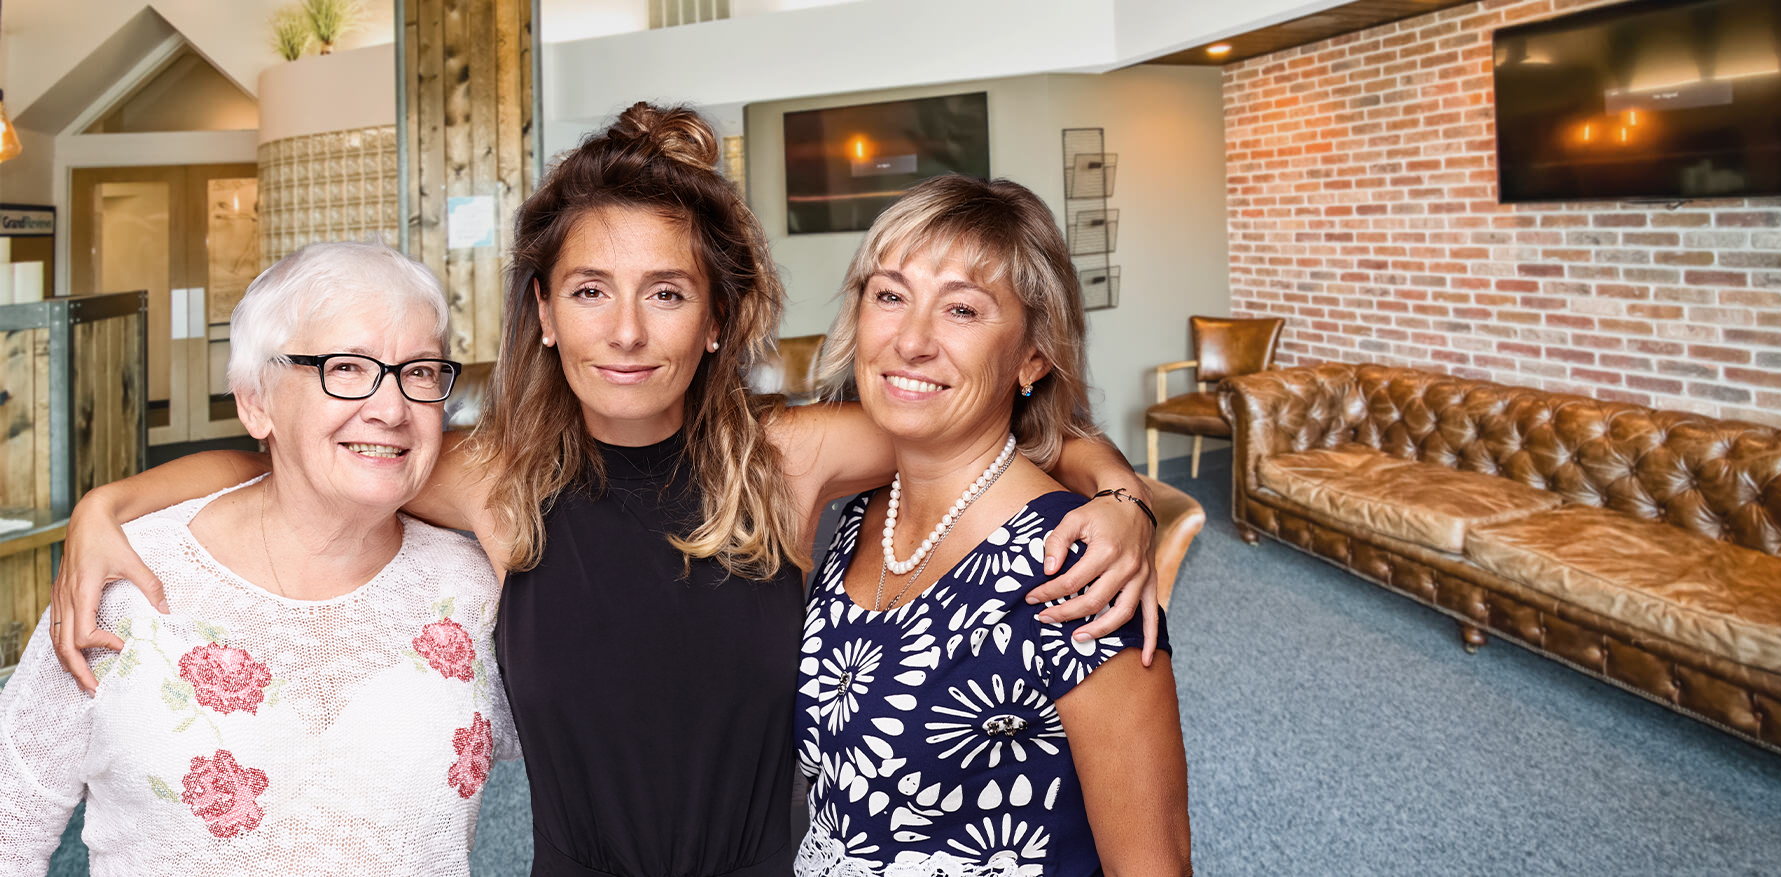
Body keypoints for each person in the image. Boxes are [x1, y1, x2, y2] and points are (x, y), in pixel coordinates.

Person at [47, 104, 1161, 877]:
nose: (624, 331)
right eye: (588, 290)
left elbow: (969, 409)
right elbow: (298, 443)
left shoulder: (788, 460)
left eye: (666, 293)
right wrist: (113, 502)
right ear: (542, 311)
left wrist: (1115, 492)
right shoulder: (494, 476)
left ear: (716, 318)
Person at [0, 240, 515, 875]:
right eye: (346, 368)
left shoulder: (476, 591)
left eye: (419, 371)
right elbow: (8, 825)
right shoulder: (123, 583)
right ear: (254, 400)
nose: (390, 408)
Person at [792, 176, 1191, 876]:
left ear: (1033, 355)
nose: (911, 339)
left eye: (963, 310)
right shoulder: (860, 515)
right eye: (889, 295)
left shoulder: (1075, 565)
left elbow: (1152, 865)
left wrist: (1125, 500)